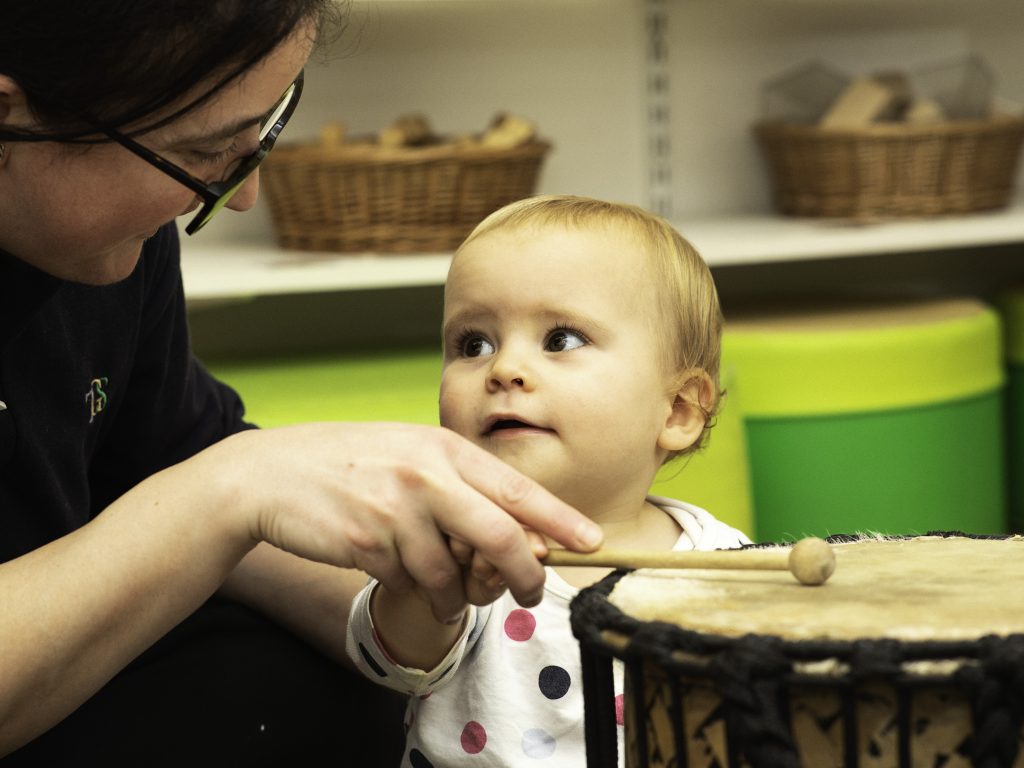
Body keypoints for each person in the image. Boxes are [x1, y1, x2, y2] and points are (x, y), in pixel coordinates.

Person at [0, 4, 604, 765]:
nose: (242, 195)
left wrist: (426, 608)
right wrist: (231, 489)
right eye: (204, 151)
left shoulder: (108, 251)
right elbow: (203, 496)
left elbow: (166, 467)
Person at [346, 195, 752, 767]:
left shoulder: (729, 563)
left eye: (560, 340)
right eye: (473, 344)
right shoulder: (462, 547)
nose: (503, 368)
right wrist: (432, 586)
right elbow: (386, 658)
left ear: (678, 411)